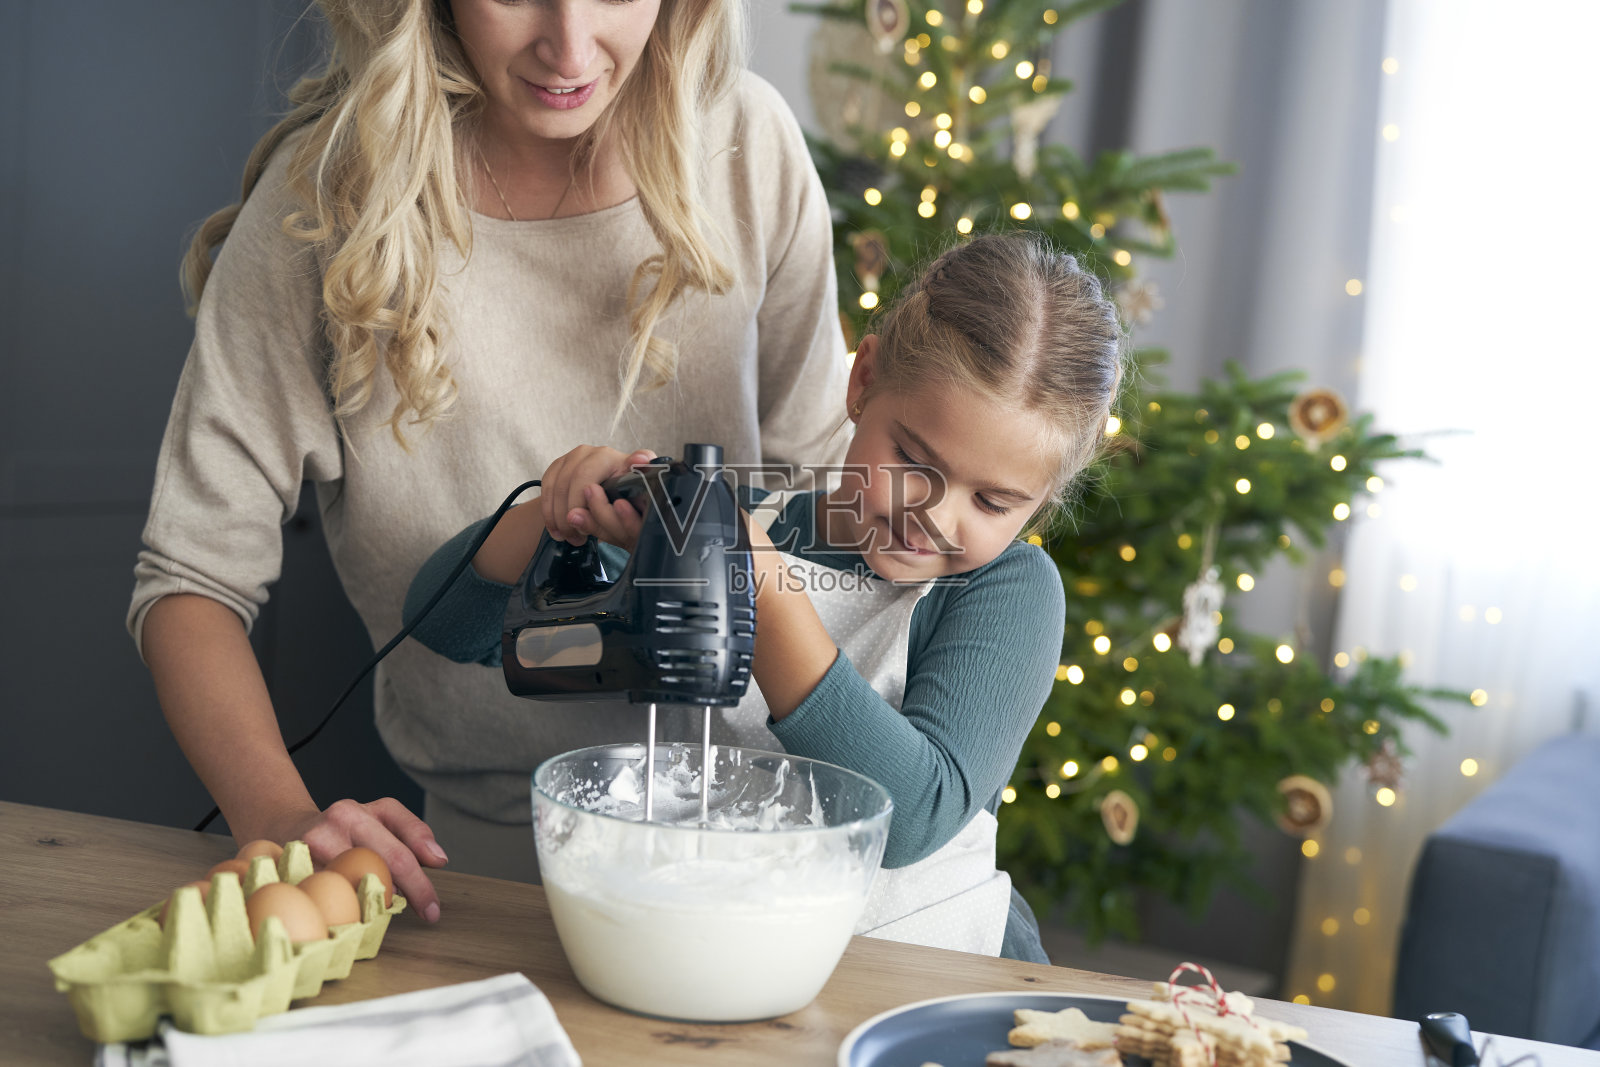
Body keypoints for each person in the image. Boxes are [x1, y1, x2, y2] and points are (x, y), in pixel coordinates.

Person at [128, 0, 851, 928]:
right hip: (489, 861)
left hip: (765, 832)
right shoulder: (323, 208)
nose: (570, 47)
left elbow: (829, 507)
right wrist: (279, 815)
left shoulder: (749, 144)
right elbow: (189, 577)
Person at [405, 232, 1126, 961]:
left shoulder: (1006, 590)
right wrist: (552, 516)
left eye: (995, 501)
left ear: (1039, 504)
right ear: (863, 380)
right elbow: (442, 623)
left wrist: (769, 592)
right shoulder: (734, 523)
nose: (935, 515)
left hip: (930, 974)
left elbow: (909, 818)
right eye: (913, 459)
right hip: (730, 959)